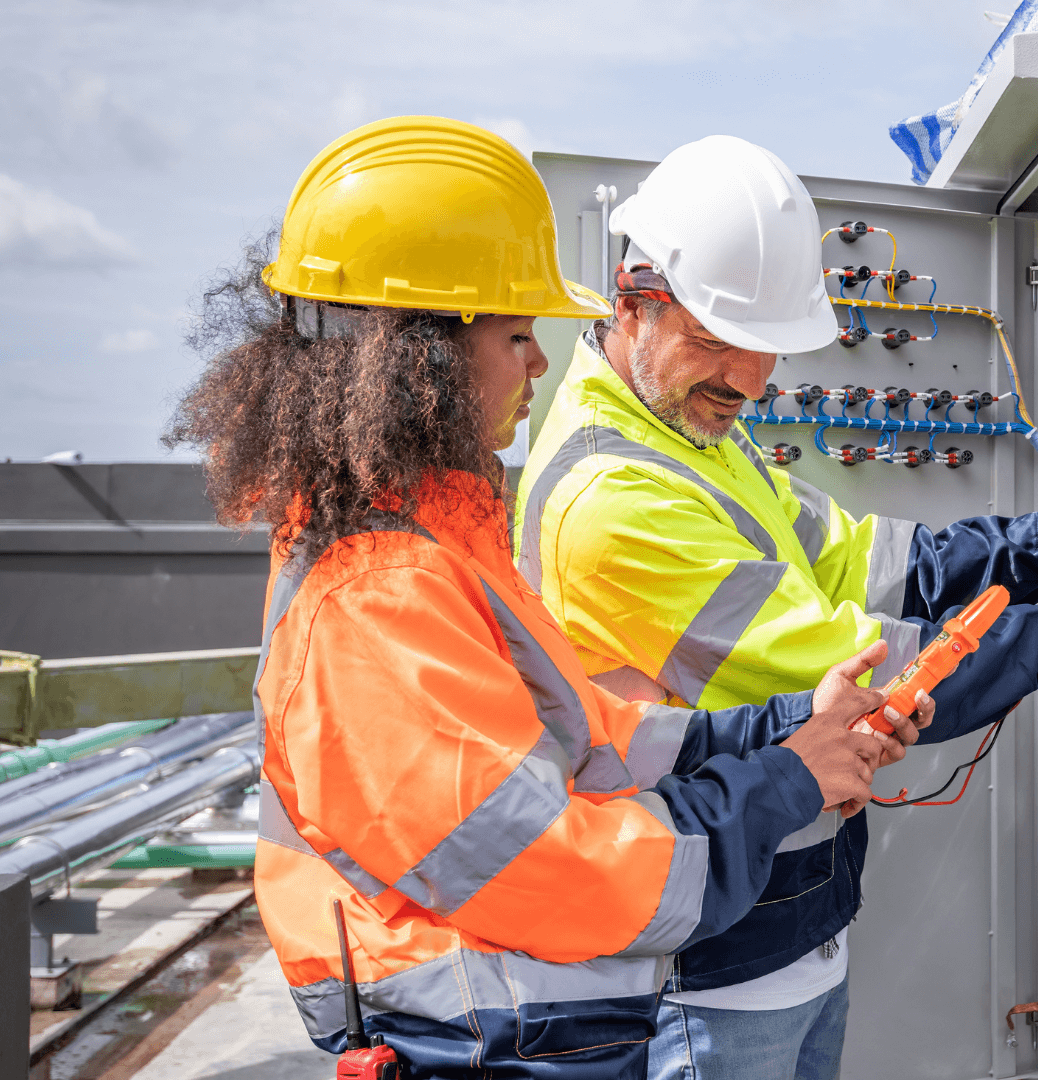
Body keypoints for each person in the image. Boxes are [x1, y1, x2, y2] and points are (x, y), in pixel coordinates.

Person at [165, 117, 931, 1080]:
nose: (539, 362)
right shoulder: (377, 596)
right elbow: (555, 865)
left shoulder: (430, 532)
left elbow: (579, 737)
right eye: (517, 334)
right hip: (476, 1045)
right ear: (419, 357)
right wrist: (787, 780)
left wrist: (775, 731)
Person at [515, 135, 1038, 1080]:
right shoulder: (610, 499)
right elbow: (862, 679)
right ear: (630, 300)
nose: (748, 379)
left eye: (767, 347)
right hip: (712, 973)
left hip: (790, 927)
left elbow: (866, 562)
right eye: (715, 340)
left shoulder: (692, 431)